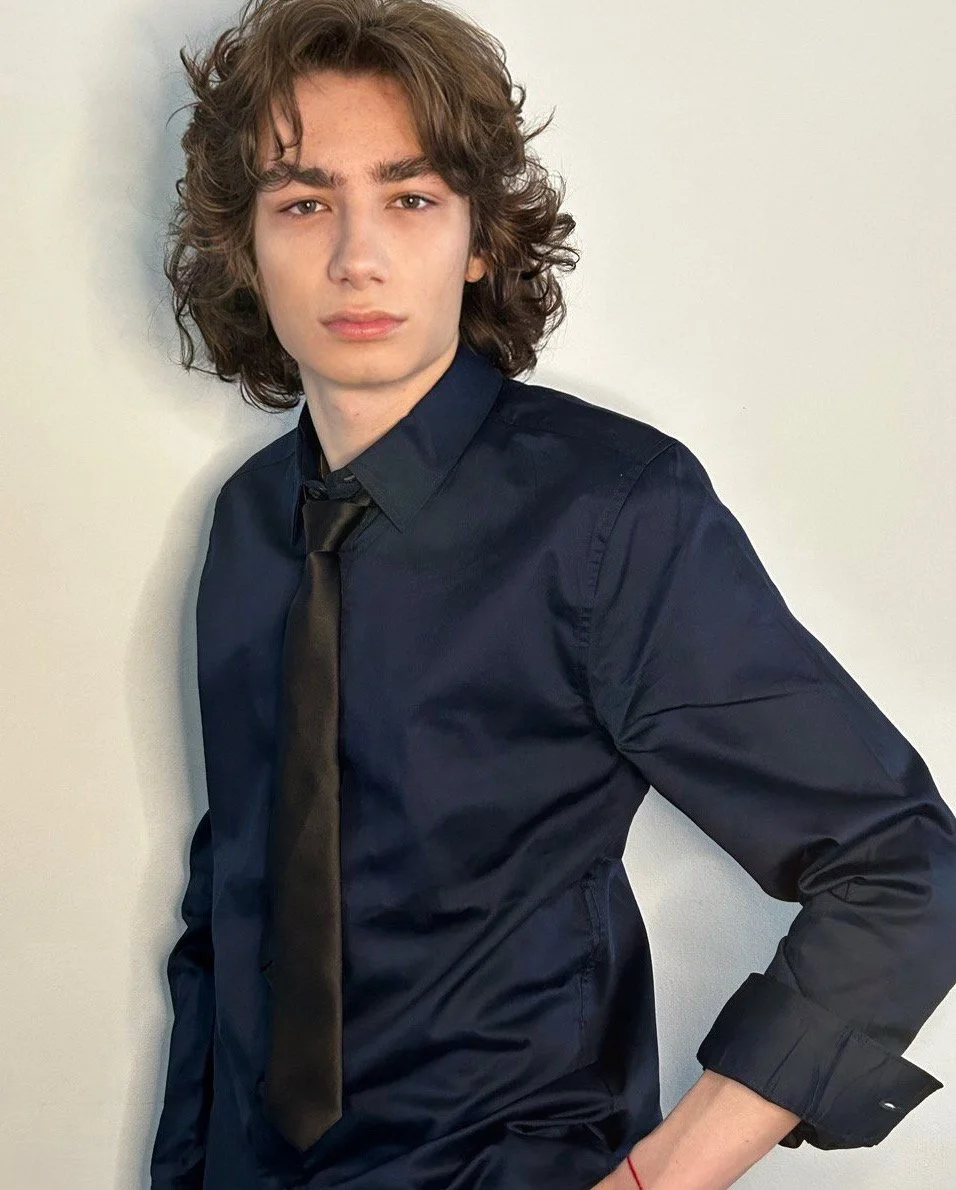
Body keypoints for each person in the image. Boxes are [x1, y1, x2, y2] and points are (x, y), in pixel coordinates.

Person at [150, 1, 956, 1188]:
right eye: (304, 203)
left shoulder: (608, 510)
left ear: (478, 238)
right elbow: (229, 908)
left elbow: (900, 869)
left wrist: (655, 1178)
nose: (356, 256)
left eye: (410, 199)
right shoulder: (248, 521)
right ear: (246, 244)